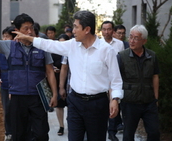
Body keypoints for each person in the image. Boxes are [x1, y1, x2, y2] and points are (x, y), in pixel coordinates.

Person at [13, 10, 123, 141]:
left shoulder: (106, 50)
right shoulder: (72, 45)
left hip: (97, 105)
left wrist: (115, 100)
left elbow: (116, 79)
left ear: (87, 29)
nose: (73, 30)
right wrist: (29, 38)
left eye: (76, 27)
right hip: (75, 102)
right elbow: (50, 45)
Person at [0, 11, 58, 141]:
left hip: (38, 98)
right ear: (17, 30)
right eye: (26, 29)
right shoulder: (9, 46)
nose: (30, 32)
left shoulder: (41, 46)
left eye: (31, 28)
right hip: (17, 98)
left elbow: (49, 72)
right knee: (18, 135)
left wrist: (54, 94)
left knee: (41, 134)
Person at [117, 25, 160, 141]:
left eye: (136, 38)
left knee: (154, 132)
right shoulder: (122, 56)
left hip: (149, 101)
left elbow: (155, 76)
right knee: (128, 134)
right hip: (129, 102)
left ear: (144, 41)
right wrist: (115, 99)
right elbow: (116, 79)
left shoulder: (152, 56)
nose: (131, 41)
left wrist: (156, 98)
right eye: (130, 37)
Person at [0, 26, 16, 141]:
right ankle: (8, 133)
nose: (5, 39)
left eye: (7, 37)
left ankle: (18, 132)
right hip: (5, 86)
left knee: (17, 110)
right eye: (3, 36)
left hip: (17, 86)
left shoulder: (17, 52)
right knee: (7, 110)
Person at [101, 21, 124, 141]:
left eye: (109, 29)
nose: (106, 32)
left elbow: (122, 62)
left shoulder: (119, 44)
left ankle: (112, 132)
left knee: (114, 106)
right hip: (102, 80)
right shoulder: (98, 44)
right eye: (104, 29)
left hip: (114, 80)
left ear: (113, 31)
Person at [53, 33, 70, 136]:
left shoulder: (71, 52)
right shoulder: (53, 53)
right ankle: (61, 126)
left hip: (70, 81)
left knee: (71, 105)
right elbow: (49, 65)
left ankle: (71, 125)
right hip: (57, 80)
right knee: (59, 106)